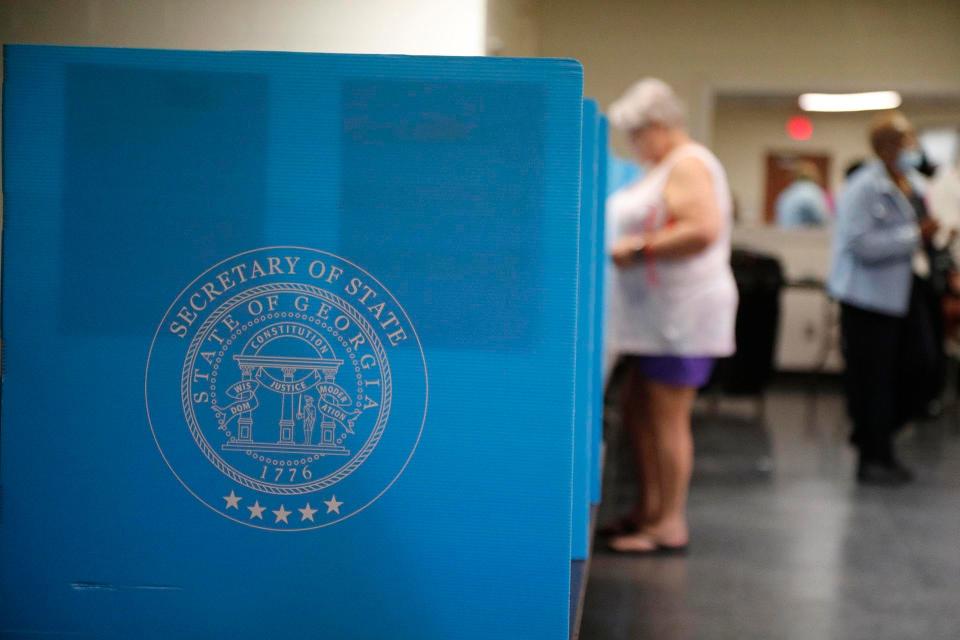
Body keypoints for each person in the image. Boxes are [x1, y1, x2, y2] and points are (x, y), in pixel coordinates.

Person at [603, 78, 738, 553]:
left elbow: (702, 228)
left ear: (657, 126)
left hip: (682, 317)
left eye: (637, 136)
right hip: (658, 318)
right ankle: (649, 509)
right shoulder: (666, 166)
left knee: (667, 418)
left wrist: (637, 248)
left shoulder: (688, 164)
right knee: (640, 408)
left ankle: (669, 523)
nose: (635, 147)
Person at [827, 111, 940, 485]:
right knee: (873, 381)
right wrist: (914, 236)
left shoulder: (910, 184)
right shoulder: (864, 186)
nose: (912, 147)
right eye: (905, 140)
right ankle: (875, 456)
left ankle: (876, 439)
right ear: (886, 146)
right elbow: (860, 244)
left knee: (921, 369)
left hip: (904, 293)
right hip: (866, 299)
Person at [775, 161, 831, 228]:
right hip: (804, 236)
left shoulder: (786, 193)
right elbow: (823, 219)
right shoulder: (813, 192)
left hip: (783, 236)